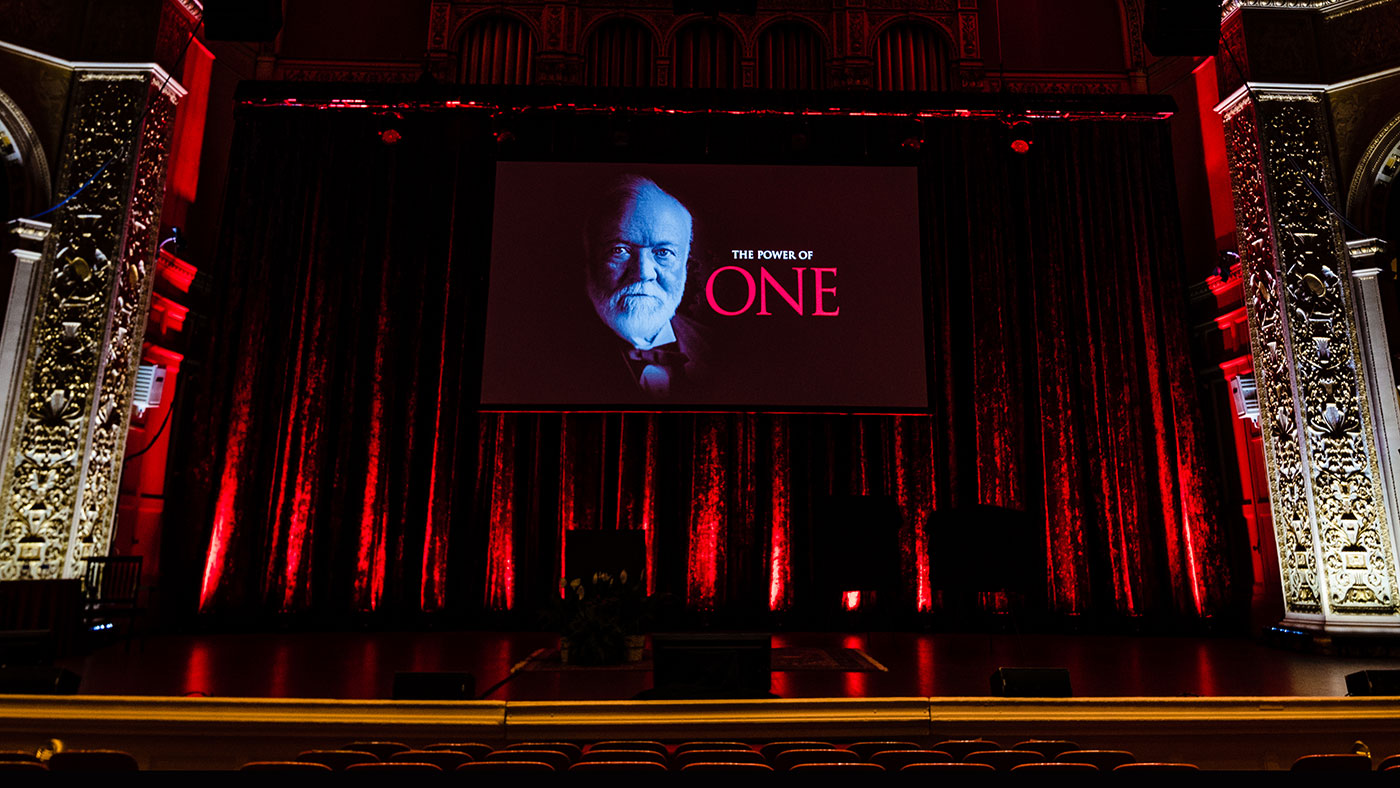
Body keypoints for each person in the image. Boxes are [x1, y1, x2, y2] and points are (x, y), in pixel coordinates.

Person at [581, 175, 710, 399]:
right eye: (619, 250)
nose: (643, 273)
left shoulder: (710, 346)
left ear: (685, 265)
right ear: (590, 258)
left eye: (663, 253)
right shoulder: (547, 351)